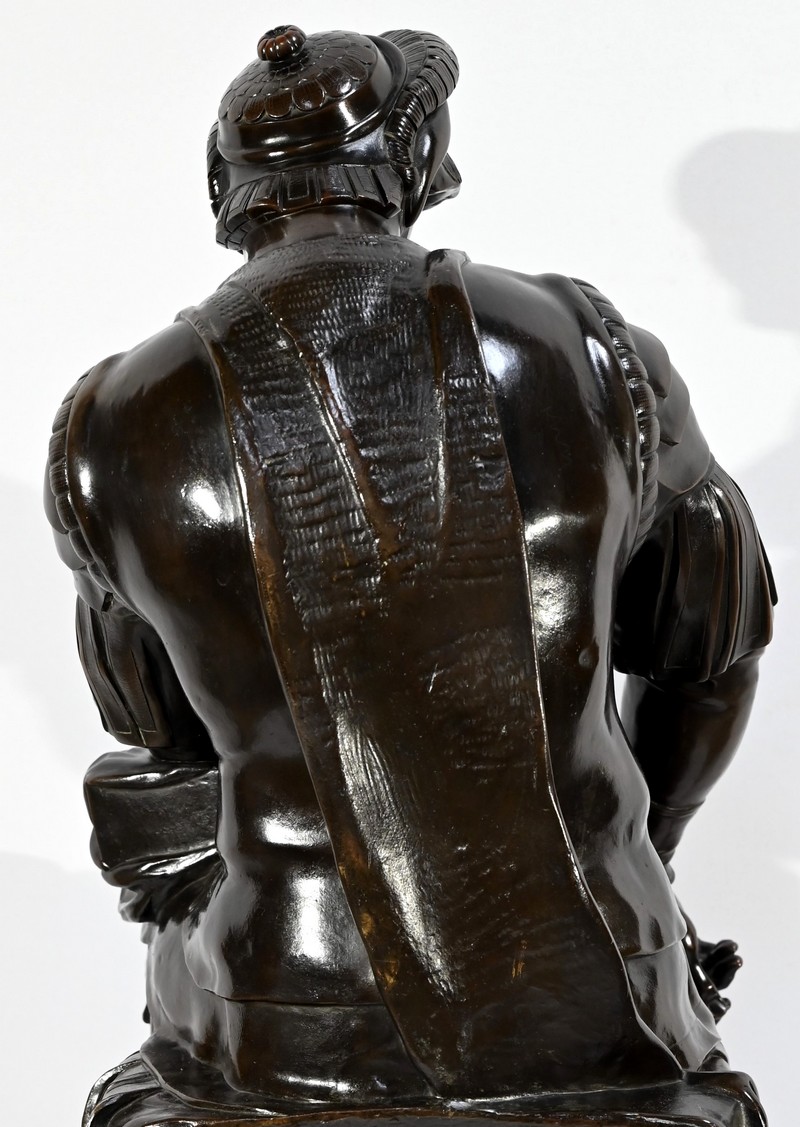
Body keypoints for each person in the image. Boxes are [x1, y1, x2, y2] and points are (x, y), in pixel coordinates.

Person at [46, 25, 775, 1127]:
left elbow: (161, 748)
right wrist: (643, 859)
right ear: (418, 159)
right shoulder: (590, 347)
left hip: (279, 1003)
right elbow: (710, 653)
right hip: (596, 974)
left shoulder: (111, 421)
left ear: (225, 187)